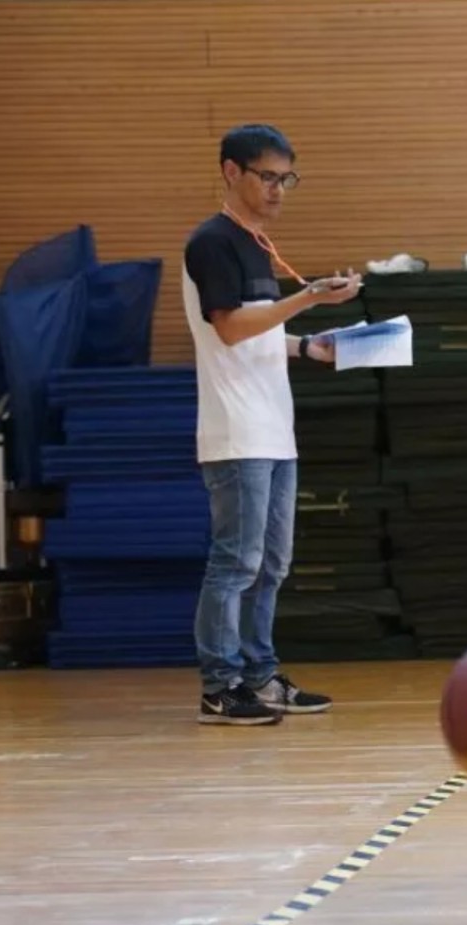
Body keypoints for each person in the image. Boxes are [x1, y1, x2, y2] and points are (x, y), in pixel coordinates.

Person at [182, 123, 362, 725]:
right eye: (268, 176)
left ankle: (259, 676)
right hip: (235, 431)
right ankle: (219, 684)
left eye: (287, 178)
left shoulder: (255, 245)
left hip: (273, 429)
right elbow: (229, 327)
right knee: (235, 562)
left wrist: (309, 347)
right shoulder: (212, 242)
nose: (279, 189)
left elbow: (257, 331)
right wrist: (308, 296)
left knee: (272, 563)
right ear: (231, 172)